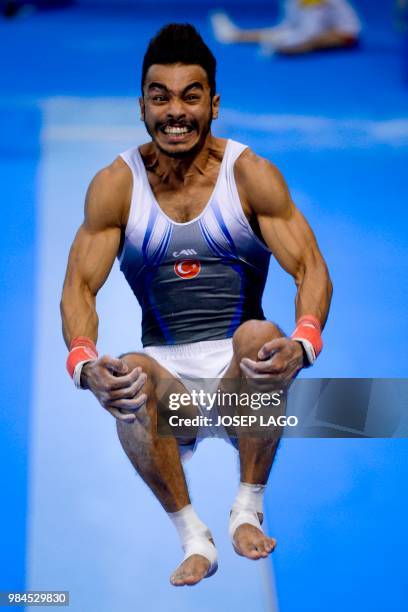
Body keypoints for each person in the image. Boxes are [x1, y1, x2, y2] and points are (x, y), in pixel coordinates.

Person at [61, 23, 332, 587]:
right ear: (141, 107)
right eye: (160, 97)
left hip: (245, 387)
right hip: (171, 397)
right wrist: (85, 365)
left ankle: (246, 507)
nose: (175, 112)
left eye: (190, 96)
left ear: (214, 102)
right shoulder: (116, 185)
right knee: (127, 371)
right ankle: (194, 538)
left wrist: (304, 344)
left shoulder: (249, 175)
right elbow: (79, 287)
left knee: (260, 333)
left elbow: (309, 266)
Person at [211, 0, 361, 55]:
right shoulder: (290, 2)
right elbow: (289, 24)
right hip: (313, 28)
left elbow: (311, 30)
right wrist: (279, 35)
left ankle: (284, 50)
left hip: (345, 33)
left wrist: (286, 43)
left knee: (313, 40)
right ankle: (234, 35)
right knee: (278, 33)